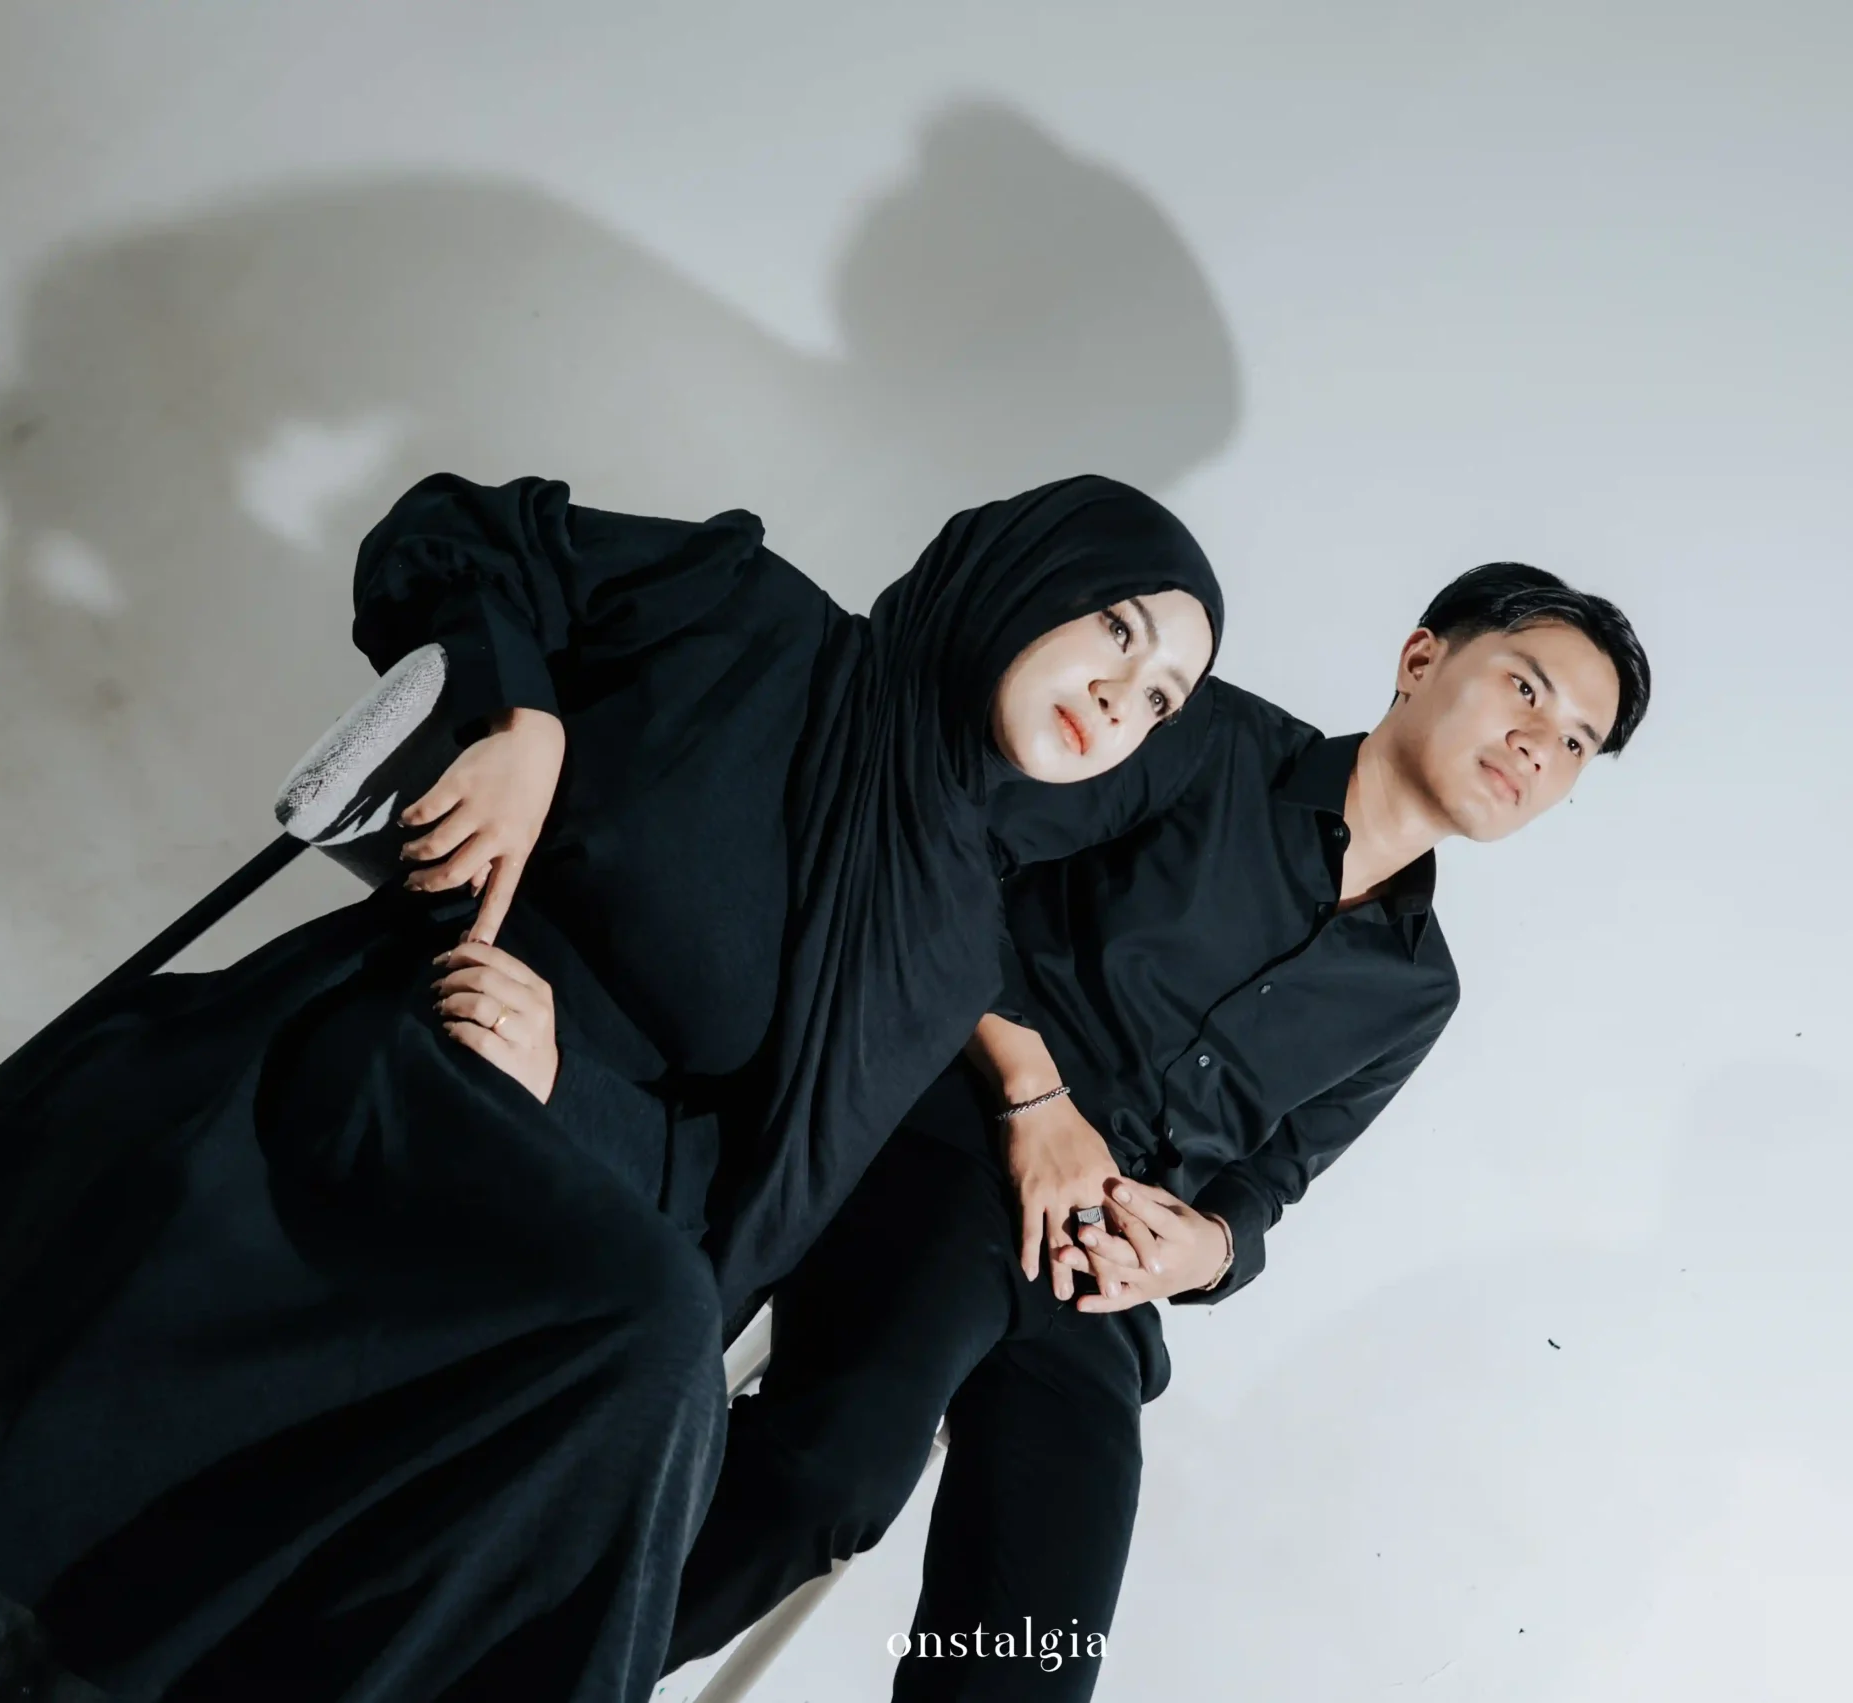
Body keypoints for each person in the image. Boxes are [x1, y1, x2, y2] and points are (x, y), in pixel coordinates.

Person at [0, 473, 1223, 1702]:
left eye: (1161, 698)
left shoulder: (949, 940)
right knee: (637, 1343)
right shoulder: (746, 620)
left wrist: (568, 1087)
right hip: (397, 1060)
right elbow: (457, 533)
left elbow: (741, 1212)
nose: (1121, 695)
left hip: (577, 1218)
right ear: (1024, 574)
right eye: (1117, 627)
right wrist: (524, 719)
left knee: (650, 1352)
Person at [666, 563, 1652, 1700]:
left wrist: (1208, 1250)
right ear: (1422, 659)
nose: (1539, 746)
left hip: (1100, 1282)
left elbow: (1274, 1176)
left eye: (1576, 743)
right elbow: (949, 867)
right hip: (957, 1142)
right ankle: (530, 1660)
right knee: (833, 1474)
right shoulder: (1207, 740)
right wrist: (1034, 1093)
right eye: (1525, 688)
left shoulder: (1420, 993)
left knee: (1034, 1655)